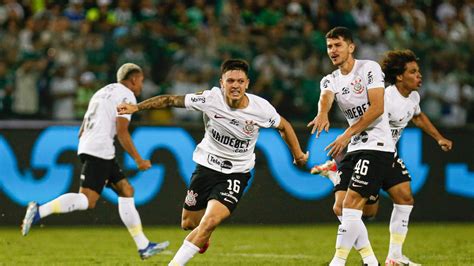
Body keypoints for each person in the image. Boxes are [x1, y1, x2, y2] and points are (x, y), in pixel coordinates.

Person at [117, 59, 309, 266]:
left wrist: (298, 155)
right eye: (230, 80)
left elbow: (285, 126)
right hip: (206, 167)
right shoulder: (210, 99)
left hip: (236, 173)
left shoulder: (261, 109)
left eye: (240, 81)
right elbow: (170, 100)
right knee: (189, 223)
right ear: (222, 83)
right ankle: (203, 237)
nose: (235, 85)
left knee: (210, 221)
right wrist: (136, 107)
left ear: (247, 84)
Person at [311, 49, 453, 266]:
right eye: (413, 72)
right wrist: (346, 143)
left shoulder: (413, 97)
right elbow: (365, 119)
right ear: (399, 76)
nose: (419, 76)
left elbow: (418, 116)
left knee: (404, 198)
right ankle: (337, 172)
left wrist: (439, 138)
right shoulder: (385, 96)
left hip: (388, 153)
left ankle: (395, 256)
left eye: (418, 71)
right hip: (370, 151)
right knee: (362, 212)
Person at [21, 63, 169, 260]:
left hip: (92, 145)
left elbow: (83, 127)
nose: (141, 85)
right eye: (141, 81)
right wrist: (138, 159)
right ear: (133, 79)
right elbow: (122, 130)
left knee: (126, 190)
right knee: (87, 200)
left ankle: (144, 246)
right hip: (100, 148)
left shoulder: (102, 91)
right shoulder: (127, 95)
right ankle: (39, 210)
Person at [307, 27, 394, 266]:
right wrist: (322, 113)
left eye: (338, 45)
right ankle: (371, 261)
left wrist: (345, 135)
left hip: (377, 144)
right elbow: (326, 97)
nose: (332, 51)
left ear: (351, 47)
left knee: (354, 206)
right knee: (340, 208)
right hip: (355, 146)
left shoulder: (368, 68)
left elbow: (377, 109)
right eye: (329, 47)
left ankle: (337, 261)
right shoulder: (331, 78)